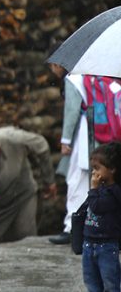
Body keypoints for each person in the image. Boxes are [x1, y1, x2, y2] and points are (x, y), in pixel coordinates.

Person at [0, 126, 57, 243]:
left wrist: (49, 181)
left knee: (25, 235)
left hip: (22, 196)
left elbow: (41, 146)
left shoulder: (13, 138)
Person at [50, 73, 96, 245]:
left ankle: (72, 227)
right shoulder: (97, 77)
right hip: (100, 133)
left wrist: (66, 140)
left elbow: (72, 110)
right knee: (93, 181)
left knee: (76, 180)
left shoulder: (74, 79)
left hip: (84, 134)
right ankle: (90, 226)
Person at [81, 143, 121, 292]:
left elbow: (97, 207)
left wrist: (93, 189)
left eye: (97, 168)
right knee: (91, 282)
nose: (93, 172)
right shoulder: (101, 188)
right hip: (89, 244)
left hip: (106, 246)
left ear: (112, 169)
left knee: (110, 284)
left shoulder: (114, 192)